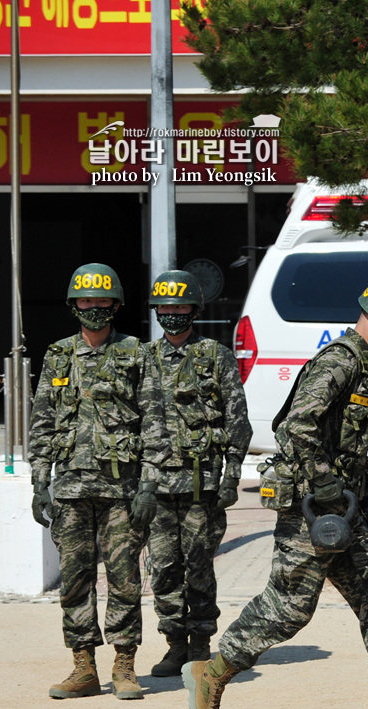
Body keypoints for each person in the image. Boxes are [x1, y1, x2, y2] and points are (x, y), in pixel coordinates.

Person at [182, 279, 368, 709]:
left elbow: (340, 438)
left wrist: (361, 478)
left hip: (340, 508)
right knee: (290, 608)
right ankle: (212, 673)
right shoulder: (338, 362)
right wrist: (326, 483)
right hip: (311, 509)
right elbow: (294, 428)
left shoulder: (364, 366)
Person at [29, 263, 165, 700]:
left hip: (122, 491)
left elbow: (155, 424)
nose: (93, 308)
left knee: (124, 579)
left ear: (116, 305)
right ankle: (83, 666)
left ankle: (125, 665)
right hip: (70, 489)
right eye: (85, 301)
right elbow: (42, 422)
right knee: (74, 580)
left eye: (101, 301)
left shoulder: (136, 353)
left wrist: (148, 486)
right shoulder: (57, 354)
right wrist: (38, 482)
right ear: (74, 305)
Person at [140, 269, 251, 677]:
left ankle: (201, 644)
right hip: (156, 486)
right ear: (156, 311)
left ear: (195, 309)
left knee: (199, 567)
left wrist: (232, 476)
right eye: (166, 307)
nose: (173, 314)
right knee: (164, 567)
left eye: (180, 306)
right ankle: (174, 644)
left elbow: (237, 420)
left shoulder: (215, 356)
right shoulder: (144, 358)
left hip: (202, 484)